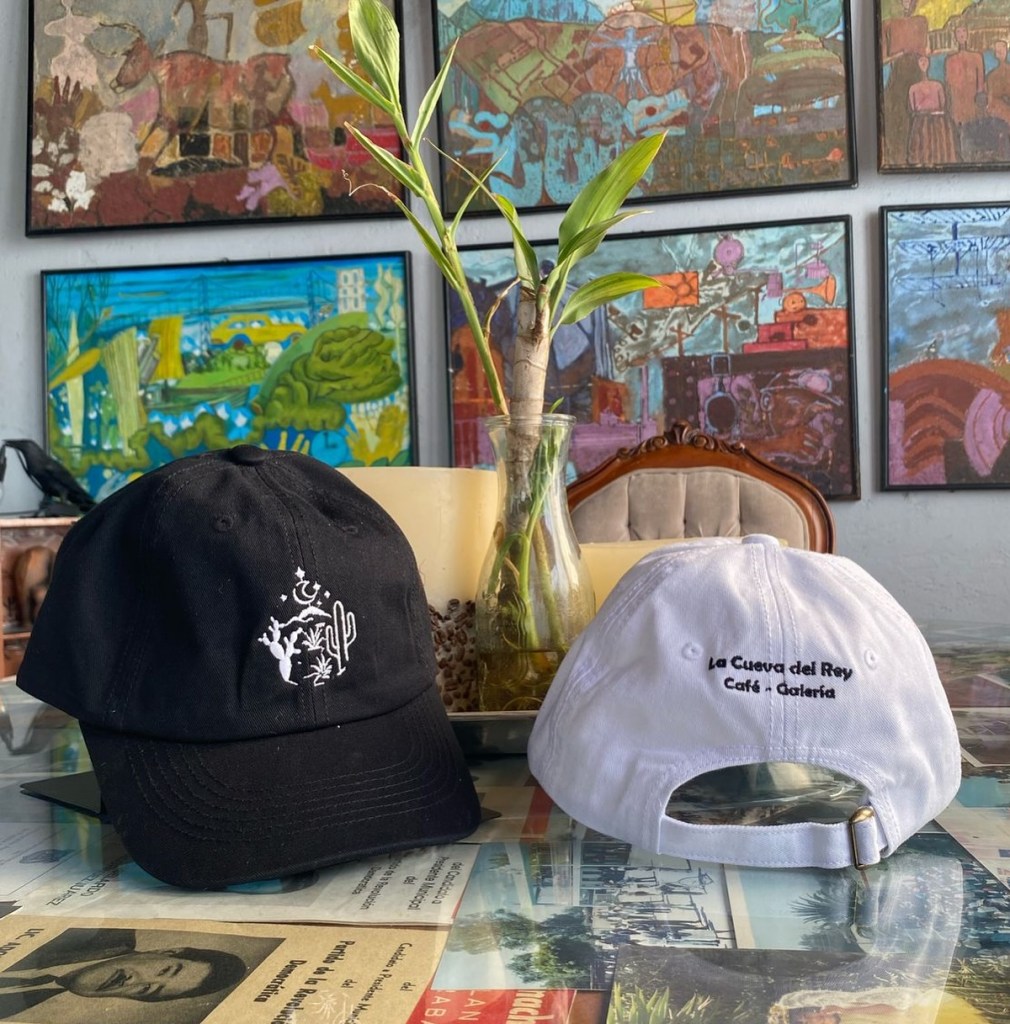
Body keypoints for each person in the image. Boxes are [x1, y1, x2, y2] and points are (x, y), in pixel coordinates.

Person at [0, 930, 247, 1017]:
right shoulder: (101, 931)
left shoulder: (24, 1005)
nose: (136, 981)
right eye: (164, 970)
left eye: (148, 990)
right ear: (166, 951)